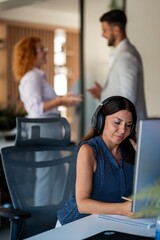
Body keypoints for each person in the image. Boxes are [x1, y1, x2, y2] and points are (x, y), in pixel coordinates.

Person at [12, 36, 82, 206]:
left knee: (58, 173)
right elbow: (36, 108)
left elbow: (43, 103)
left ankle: (63, 212)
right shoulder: (31, 77)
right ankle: (40, 217)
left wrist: (62, 99)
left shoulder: (38, 76)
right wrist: (61, 100)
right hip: (42, 129)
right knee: (45, 174)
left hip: (48, 128)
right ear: (31, 54)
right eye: (41, 49)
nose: (45, 51)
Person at [57, 95, 137, 226]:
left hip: (109, 223)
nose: (123, 130)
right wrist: (122, 209)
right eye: (117, 123)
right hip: (77, 224)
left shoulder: (130, 151)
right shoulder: (89, 150)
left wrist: (141, 154)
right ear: (100, 120)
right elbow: (82, 204)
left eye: (128, 125)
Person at [87, 9, 147, 121]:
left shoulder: (126, 56)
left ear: (116, 30)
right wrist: (103, 93)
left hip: (126, 130)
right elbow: (121, 93)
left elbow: (128, 98)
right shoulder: (122, 54)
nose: (102, 35)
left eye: (105, 30)